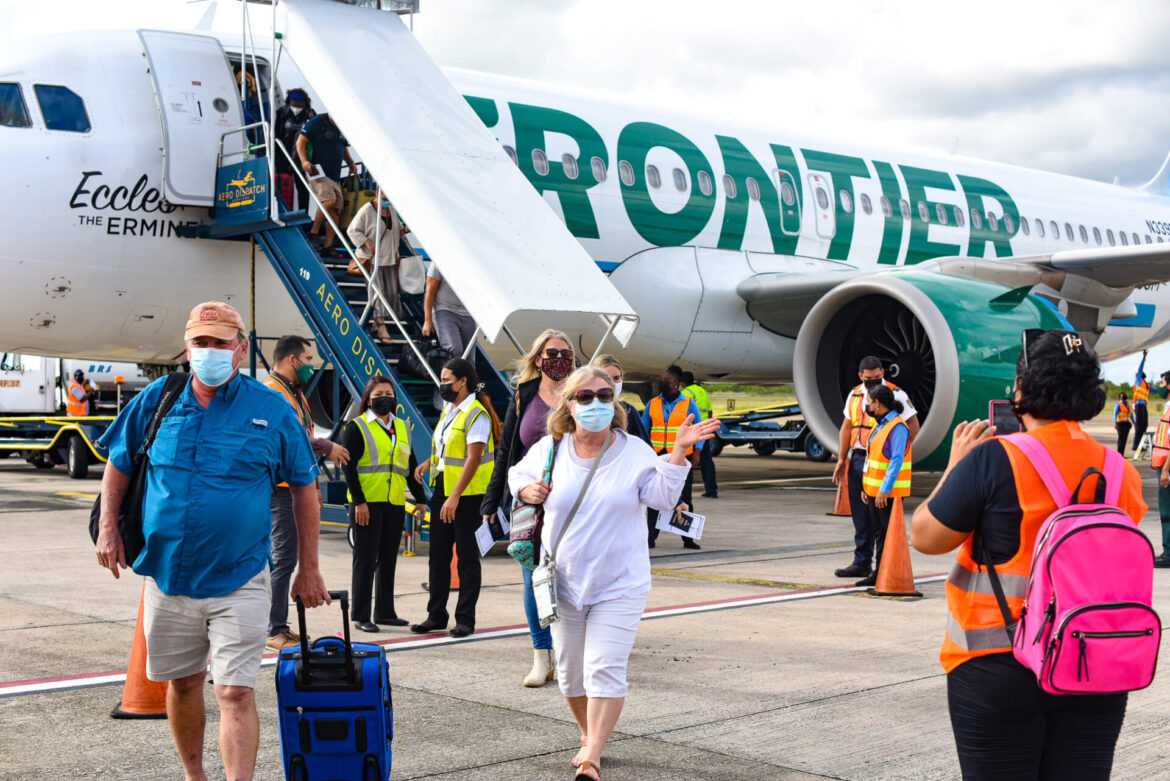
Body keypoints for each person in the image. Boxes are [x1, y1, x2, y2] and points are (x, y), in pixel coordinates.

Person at [94, 302, 329, 781]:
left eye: (220, 343)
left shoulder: (271, 409)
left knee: (234, 691)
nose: (210, 351)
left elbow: (305, 487)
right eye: (201, 342)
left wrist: (309, 568)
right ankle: (195, 776)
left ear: (240, 350)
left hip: (239, 576)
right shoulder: (159, 398)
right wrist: (108, 527)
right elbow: (120, 461)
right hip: (168, 577)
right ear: (187, 348)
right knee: (183, 686)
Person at [910, 329, 1146, 780]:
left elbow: (926, 537)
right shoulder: (1120, 472)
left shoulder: (993, 458)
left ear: (1020, 389)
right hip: (1092, 658)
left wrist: (956, 465)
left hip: (997, 660)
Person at [510, 367, 721, 780]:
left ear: (615, 402)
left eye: (605, 396)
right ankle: (590, 734)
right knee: (570, 674)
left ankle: (593, 756)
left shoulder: (635, 451)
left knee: (604, 668)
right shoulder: (551, 448)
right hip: (563, 582)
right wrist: (525, 489)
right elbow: (518, 473)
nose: (596, 403)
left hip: (619, 583)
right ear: (570, 405)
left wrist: (678, 452)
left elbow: (662, 497)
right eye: (585, 397)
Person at [480, 329, 574, 687]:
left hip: (571, 501)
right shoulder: (524, 395)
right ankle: (541, 653)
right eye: (552, 353)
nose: (560, 360)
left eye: (566, 354)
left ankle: (566, 653)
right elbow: (506, 450)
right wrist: (493, 500)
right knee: (533, 578)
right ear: (538, 358)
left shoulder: (580, 392)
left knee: (569, 578)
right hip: (530, 500)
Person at [262, 335, 350, 651]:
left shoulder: (294, 393)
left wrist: (312, 487)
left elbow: (300, 447)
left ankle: (277, 626)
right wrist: (326, 446)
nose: (312, 365)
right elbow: (291, 439)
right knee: (283, 557)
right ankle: (273, 629)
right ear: (293, 359)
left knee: (285, 556)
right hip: (281, 489)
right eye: (308, 359)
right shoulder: (274, 393)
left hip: (295, 487)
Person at [411, 357, 500, 638]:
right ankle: (436, 615)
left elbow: (473, 459)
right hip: (442, 490)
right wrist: (429, 463)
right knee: (437, 556)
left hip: (467, 496)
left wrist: (455, 497)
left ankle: (465, 619)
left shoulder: (476, 414)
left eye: (447, 379)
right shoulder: (450, 410)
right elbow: (447, 448)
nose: (442, 384)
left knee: (466, 558)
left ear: (463, 382)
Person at [341, 375, 427, 632]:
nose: (383, 399)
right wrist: (359, 502)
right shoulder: (356, 427)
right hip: (367, 503)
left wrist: (420, 499)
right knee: (365, 559)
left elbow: (409, 464)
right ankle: (361, 615)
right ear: (368, 400)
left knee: (388, 558)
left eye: (388, 394)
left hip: (394, 502)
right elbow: (349, 468)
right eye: (378, 395)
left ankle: (385, 612)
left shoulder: (402, 427)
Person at [831, 356, 919, 579]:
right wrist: (842, 459)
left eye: (877, 377)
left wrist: (898, 450)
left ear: (883, 373)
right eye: (869, 378)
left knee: (881, 522)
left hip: (883, 461)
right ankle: (862, 562)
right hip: (861, 458)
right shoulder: (854, 395)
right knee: (861, 516)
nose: (873, 381)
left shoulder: (896, 394)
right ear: (861, 376)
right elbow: (847, 427)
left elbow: (912, 425)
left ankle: (884, 569)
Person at [642, 366, 704, 550]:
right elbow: (644, 430)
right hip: (658, 455)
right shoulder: (653, 403)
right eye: (662, 379)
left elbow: (699, 428)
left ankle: (687, 539)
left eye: (666, 380)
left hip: (682, 456)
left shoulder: (688, 403)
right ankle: (650, 538)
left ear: (676, 383)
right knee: (655, 497)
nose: (662, 383)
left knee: (685, 497)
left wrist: (698, 451)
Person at [856, 384, 911, 587]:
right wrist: (866, 487)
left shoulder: (897, 427)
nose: (867, 406)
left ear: (878, 404)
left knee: (889, 536)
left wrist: (884, 490)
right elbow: (873, 458)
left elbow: (896, 460)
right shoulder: (879, 424)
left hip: (888, 493)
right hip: (874, 491)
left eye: (869, 402)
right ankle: (879, 573)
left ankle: (889, 575)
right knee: (879, 534)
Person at [346, 190, 404, 340]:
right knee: (378, 292)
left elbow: (397, 230)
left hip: (389, 258)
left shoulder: (390, 209)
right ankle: (381, 327)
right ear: (378, 192)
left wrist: (406, 229)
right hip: (373, 260)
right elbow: (352, 230)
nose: (387, 200)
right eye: (384, 197)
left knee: (391, 293)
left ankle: (376, 325)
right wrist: (366, 242)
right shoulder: (367, 210)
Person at [296, 112, 355, 253]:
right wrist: (304, 161)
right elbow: (301, 141)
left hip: (335, 175)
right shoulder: (317, 122)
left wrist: (350, 163)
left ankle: (328, 246)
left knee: (337, 210)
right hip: (317, 170)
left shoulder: (341, 126)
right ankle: (314, 232)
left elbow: (343, 147)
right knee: (329, 201)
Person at [593, 354, 651, 445]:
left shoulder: (629, 410)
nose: (612, 383)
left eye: (616, 378)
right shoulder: (586, 410)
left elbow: (644, 447)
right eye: (606, 378)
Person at [421, 263, 477, 359]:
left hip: (468, 313)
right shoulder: (438, 262)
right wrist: (427, 320)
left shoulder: (472, 262)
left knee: (469, 357)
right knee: (454, 349)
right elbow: (430, 291)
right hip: (444, 309)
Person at [273, 88, 316, 210]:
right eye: (294, 100)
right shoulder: (281, 113)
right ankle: (282, 210)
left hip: (302, 156)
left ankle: (304, 212)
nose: (296, 104)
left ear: (305, 102)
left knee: (303, 186)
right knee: (282, 184)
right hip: (283, 154)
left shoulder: (310, 114)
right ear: (289, 100)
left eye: (299, 101)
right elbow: (274, 131)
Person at [680, 370, 718, 498]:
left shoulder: (686, 393)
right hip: (705, 429)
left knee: (687, 461)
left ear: (683, 382)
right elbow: (710, 411)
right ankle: (712, 490)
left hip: (693, 431)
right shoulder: (702, 391)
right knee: (707, 461)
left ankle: (684, 492)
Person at [1152, 371, 1170, 568]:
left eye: (1163, 383)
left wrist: (1165, 469)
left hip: (1167, 465)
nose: (1161, 387)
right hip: (1165, 463)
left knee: (1167, 510)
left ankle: (1169, 553)